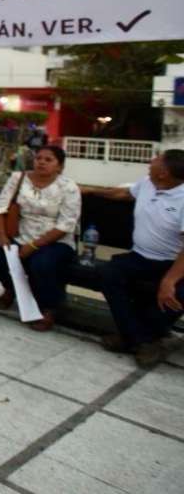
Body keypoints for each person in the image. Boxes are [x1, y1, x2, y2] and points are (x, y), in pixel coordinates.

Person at [86, 151, 184, 366]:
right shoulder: (148, 183)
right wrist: (87, 190)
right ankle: (142, 340)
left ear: (164, 173)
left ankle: (133, 338)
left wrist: (169, 280)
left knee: (176, 294)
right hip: (140, 257)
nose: (151, 162)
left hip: (174, 263)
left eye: (156, 160)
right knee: (107, 274)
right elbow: (123, 194)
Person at [0, 145, 81, 331]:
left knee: (41, 263)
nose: (41, 162)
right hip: (20, 236)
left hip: (55, 241)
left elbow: (66, 225)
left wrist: (33, 245)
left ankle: (48, 308)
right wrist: (2, 236)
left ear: (59, 166)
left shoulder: (68, 187)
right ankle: (12, 288)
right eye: (39, 158)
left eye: (48, 160)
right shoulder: (18, 178)